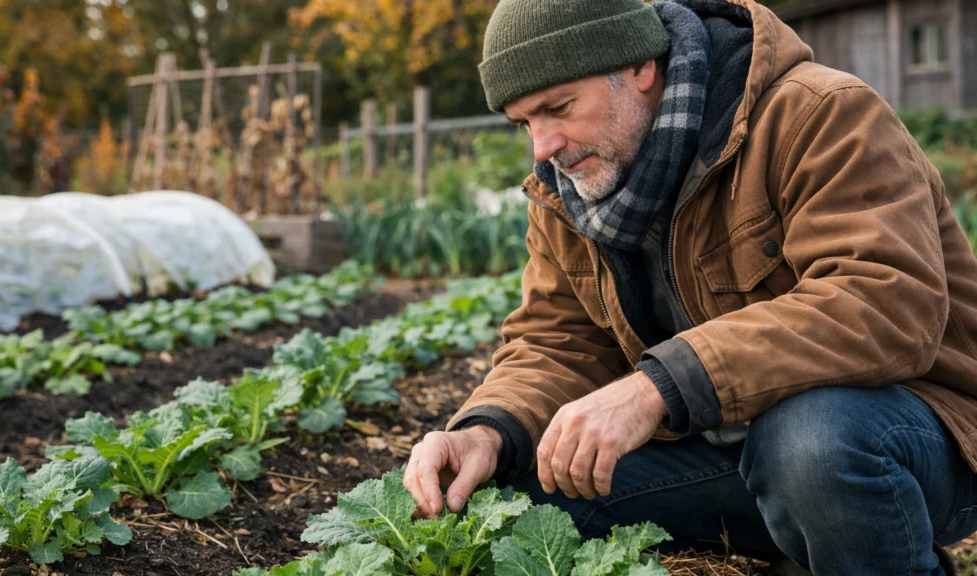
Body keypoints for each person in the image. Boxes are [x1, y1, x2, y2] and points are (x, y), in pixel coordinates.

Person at [401, 0, 977, 574]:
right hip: (734, 456)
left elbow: (884, 301)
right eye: (525, 122)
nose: (543, 145)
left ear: (639, 66)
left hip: (917, 440)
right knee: (516, 485)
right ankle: (809, 545)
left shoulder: (818, 114)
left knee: (810, 441)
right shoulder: (565, 193)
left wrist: (659, 387)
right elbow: (556, 342)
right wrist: (488, 430)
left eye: (558, 107)